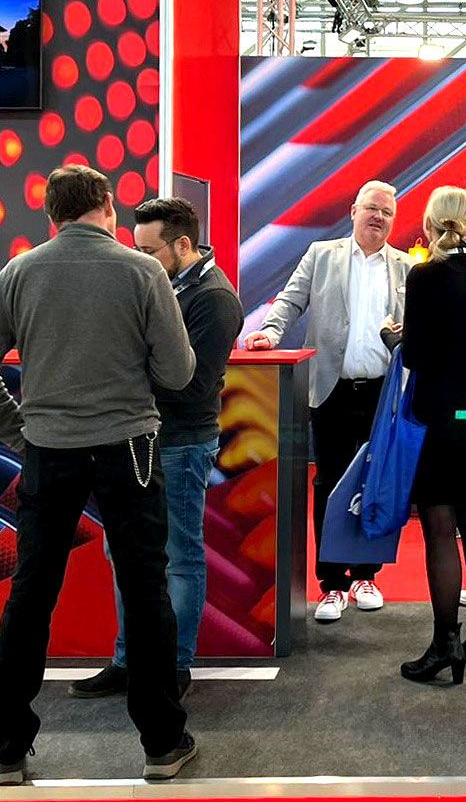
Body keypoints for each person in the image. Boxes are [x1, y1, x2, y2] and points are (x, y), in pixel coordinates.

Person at [0, 166, 198, 784]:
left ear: (51, 215)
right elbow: (178, 373)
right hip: (128, 449)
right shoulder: (142, 272)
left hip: (47, 449)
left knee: (32, 592)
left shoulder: (19, 272)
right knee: (145, 590)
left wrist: (18, 428)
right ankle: (162, 743)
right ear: (108, 206)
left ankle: (6, 747)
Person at [71, 199, 243, 703]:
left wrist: (124, 372)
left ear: (182, 244)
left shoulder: (214, 298)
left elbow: (192, 386)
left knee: (179, 557)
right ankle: (129, 660)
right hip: (136, 438)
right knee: (123, 551)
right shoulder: (164, 284)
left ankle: (173, 665)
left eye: (148, 251)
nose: (140, 259)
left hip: (181, 442)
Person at [242, 180, 412, 622]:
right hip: (331, 389)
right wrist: (270, 333)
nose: (378, 217)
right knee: (331, 485)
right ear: (353, 210)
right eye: (372, 208)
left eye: (387, 213)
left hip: (382, 394)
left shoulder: (406, 266)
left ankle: (367, 576)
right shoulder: (321, 254)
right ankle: (332, 584)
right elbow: (291, 300)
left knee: (375, 484)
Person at [386, 187, 466, 684]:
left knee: (440, 529)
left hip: (438, 415)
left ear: (429, 223)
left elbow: (417, 355)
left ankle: (446, 643)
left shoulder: (424, 276)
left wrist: (395, 338)